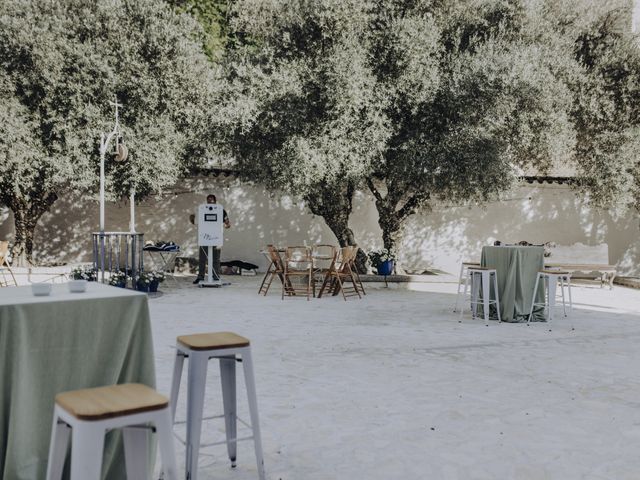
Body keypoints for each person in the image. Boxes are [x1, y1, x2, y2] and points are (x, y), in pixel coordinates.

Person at [190, 194, 230, 284]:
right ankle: (200, 277)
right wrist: (192, 219)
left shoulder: (221, 211)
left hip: (216, 237)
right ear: (206, 201)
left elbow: (227, 223)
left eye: (212, 201)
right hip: (204, 237)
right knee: (202, 258)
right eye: (208, 201)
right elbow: (196, 222)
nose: (210, 203)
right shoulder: (202, 210)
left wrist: (227, 224)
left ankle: (215, 276)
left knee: (216, 258)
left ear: (215, 201)